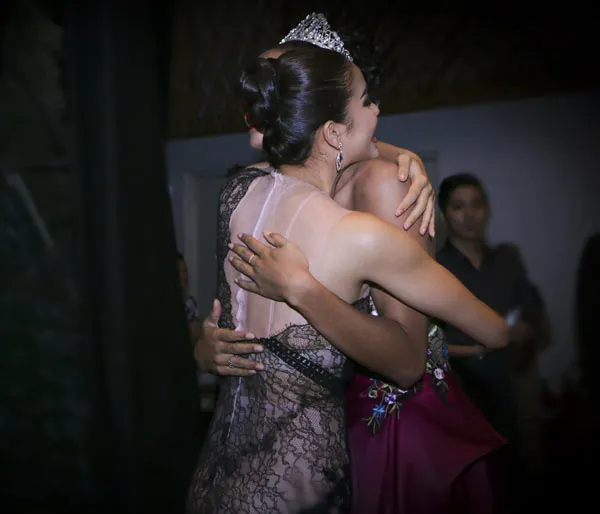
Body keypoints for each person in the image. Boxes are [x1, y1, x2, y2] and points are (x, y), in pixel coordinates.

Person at [186, 17, 508, 514]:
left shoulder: (238, 192)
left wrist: (405, 157)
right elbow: (481, 335)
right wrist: (205, 341)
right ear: (332, 127)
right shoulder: (350, 229)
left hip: (220, 480)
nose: (379, 110)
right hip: (302, 482)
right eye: (367, 101)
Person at [435, 173, 544, 509]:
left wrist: (525, 330)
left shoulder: (508, 261)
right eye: (458, 206)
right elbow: (427, 343)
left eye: (477, 204)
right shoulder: (435, 270)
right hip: (461, 395)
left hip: (514, 388)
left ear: (488, 209)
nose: (470, 214)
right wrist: (475, 349)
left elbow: (533, 315)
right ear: (444, 214)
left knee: (519, 480)